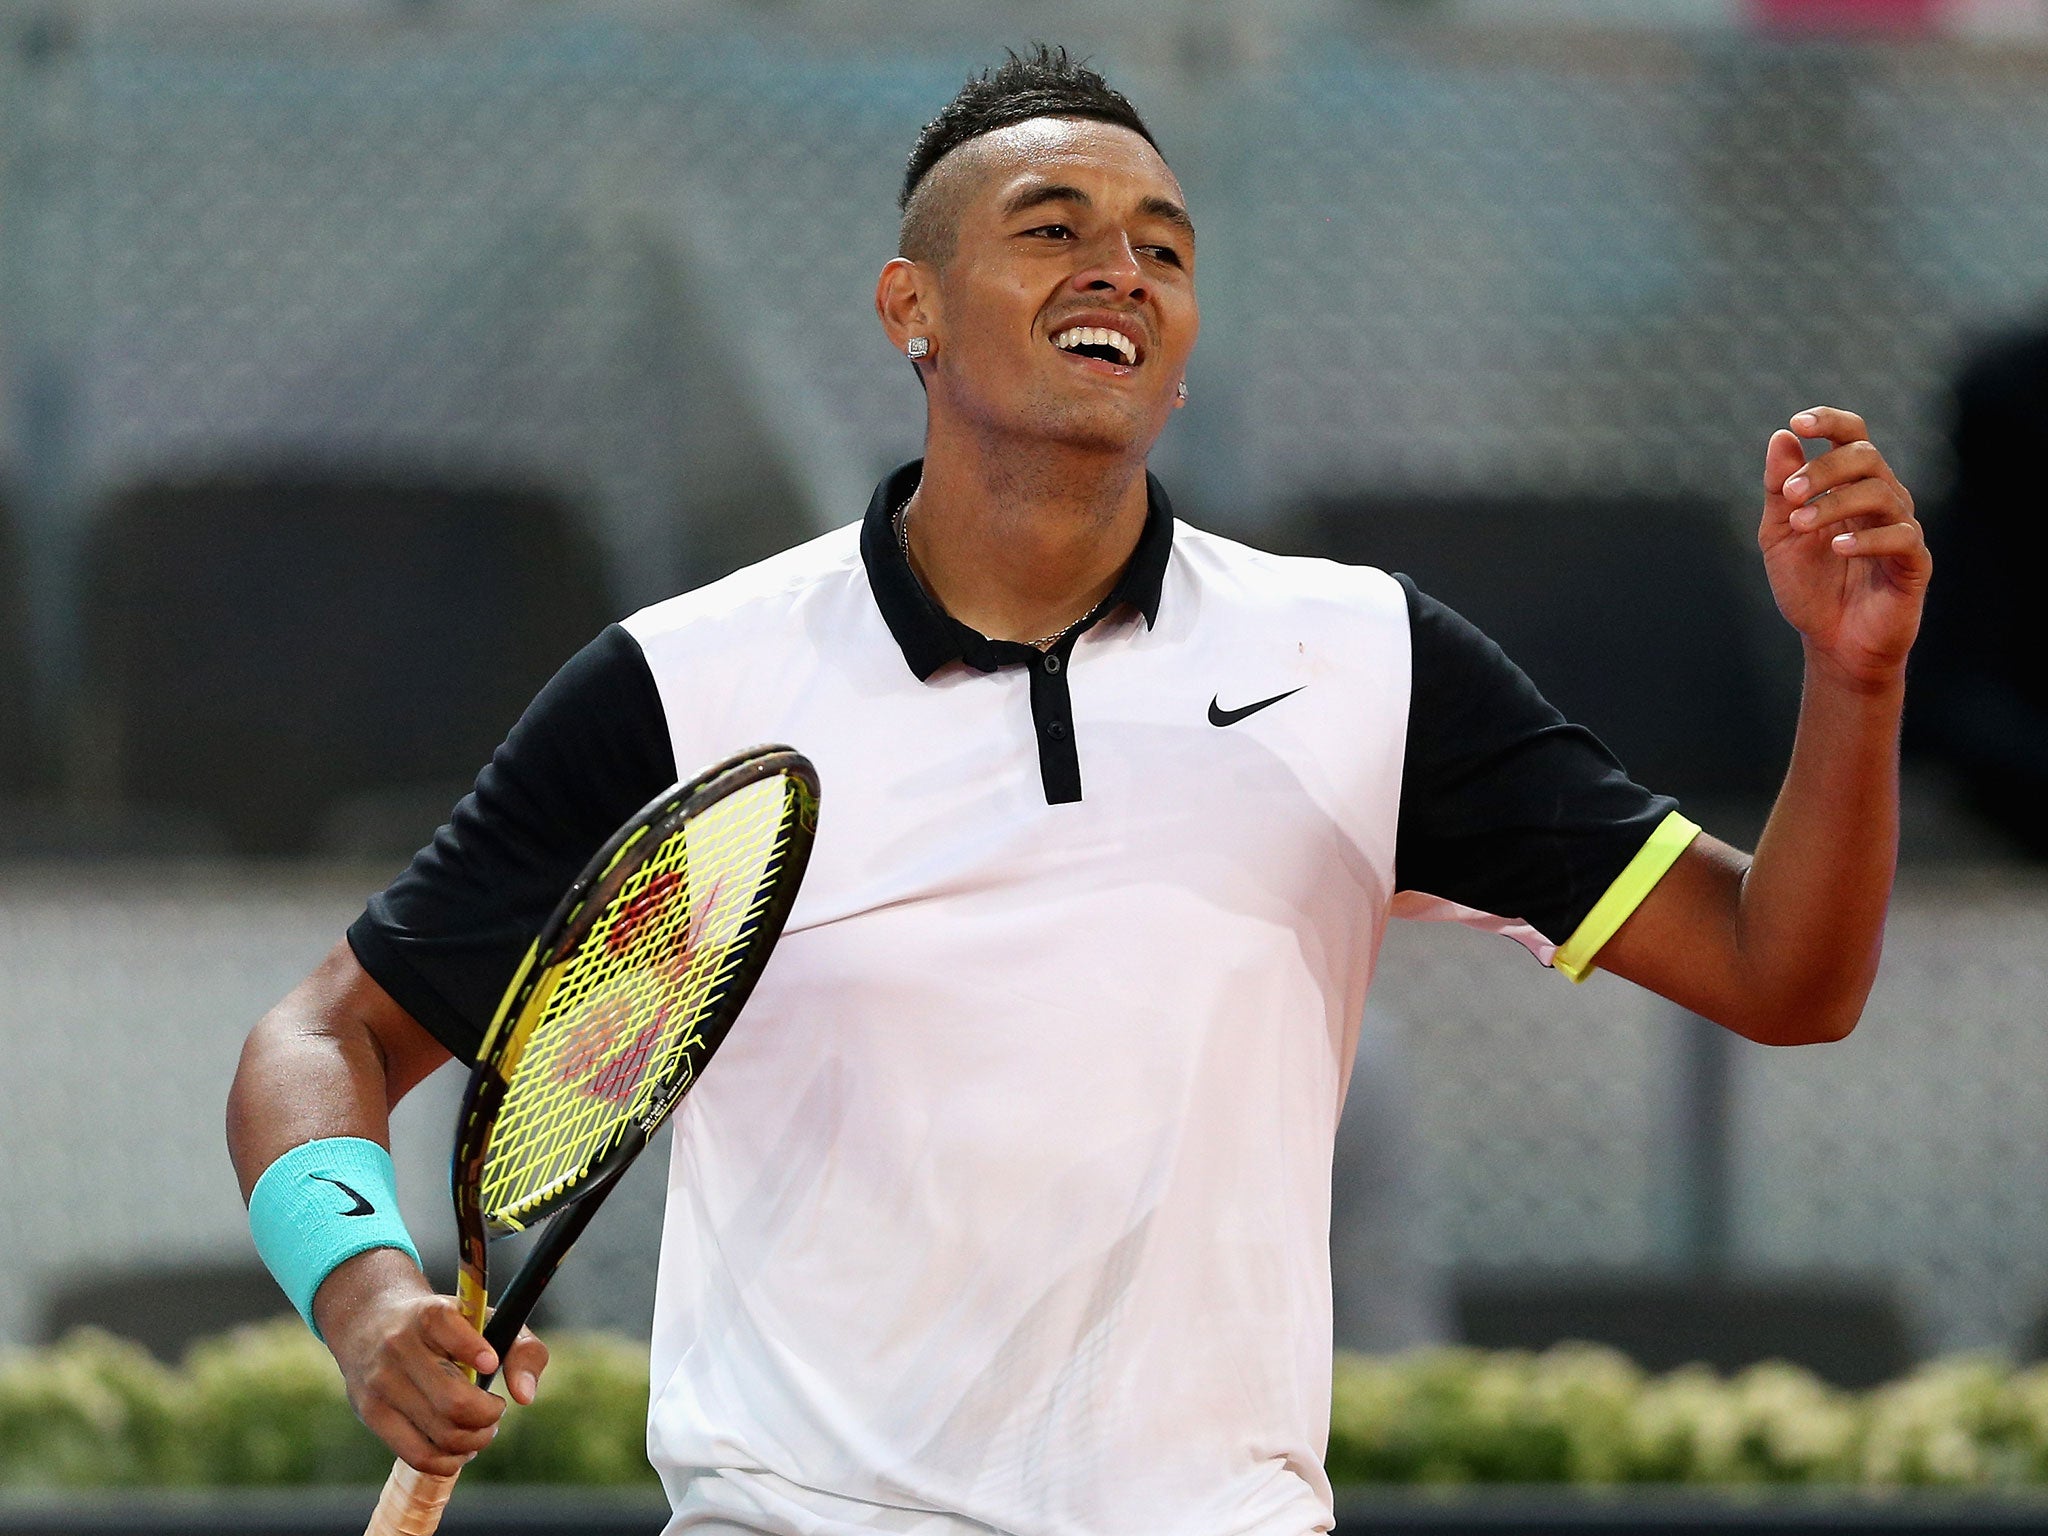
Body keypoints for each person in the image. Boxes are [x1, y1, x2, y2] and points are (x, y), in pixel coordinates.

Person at [226, 46, 1931, 1536]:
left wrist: (1852, 685)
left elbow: (1786, 978)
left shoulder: (1367, 662)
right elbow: (324, 1044)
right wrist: (370, 1297)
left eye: (1164, 250)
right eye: (1052, 229)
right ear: (911, 310)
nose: (1119, 267)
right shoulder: (688, 682)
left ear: (1182, 344)